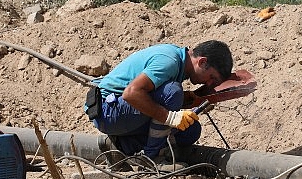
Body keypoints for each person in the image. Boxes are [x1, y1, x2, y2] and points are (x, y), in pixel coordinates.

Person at [84, 40, 233, 165]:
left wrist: (187, 101)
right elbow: (131, 93)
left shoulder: (178, 61)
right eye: (211, 77)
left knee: (190, 130)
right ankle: (152, 159)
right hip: (108, 111)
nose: (209, 83)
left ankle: (120, 145)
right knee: (173, 91)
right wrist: (170, 117)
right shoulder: (169, 61)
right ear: (202, 62)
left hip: (115, 112)